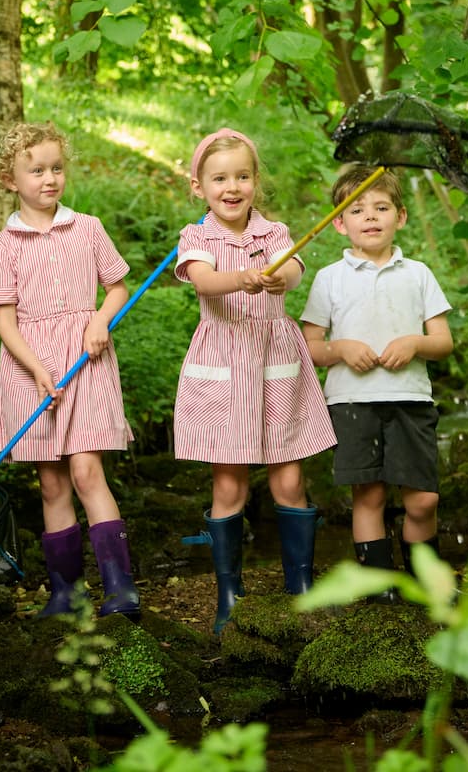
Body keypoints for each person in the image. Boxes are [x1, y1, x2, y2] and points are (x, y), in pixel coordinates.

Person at [173, 128, 337, 635]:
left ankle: (301, 587)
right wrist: (242, 278)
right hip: (224, 359)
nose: (232, 187)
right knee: (230, 481)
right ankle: (229, 594)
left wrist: (277, 277)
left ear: (255, 181)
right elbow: (203, 280)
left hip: (274, 361)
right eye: (220, 178)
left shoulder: (274, 233)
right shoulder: (196, 237)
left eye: (242, 176)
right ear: (199, 186)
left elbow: (293, 273)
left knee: (289, 476)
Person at [0, 121, 140, 619]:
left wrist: (99, 320)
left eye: (56, 168)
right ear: (9, 179)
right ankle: (66, 594)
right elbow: (5, 321)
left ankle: (121, 590)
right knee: (51, 483)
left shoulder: (87, 227)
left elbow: (117, 287)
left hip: (86, 361)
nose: (49, 179)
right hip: (31, 368)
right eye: (36, 170)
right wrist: (36, 369)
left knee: (87, 471)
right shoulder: (2, 246)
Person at [299, 164, 453, 600]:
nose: (370, 216)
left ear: (400, 217)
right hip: (352, 401)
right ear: (339, 223)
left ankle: (427, 583)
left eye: (381, 207)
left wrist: (415, 342)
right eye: (357, 209)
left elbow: (443, 342)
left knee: (423, 499)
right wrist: (342, 348)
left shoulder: (418, 273)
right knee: (368, 496)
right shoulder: (330, 278)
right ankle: (380, 589)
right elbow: (311, 345)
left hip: (411, 400)